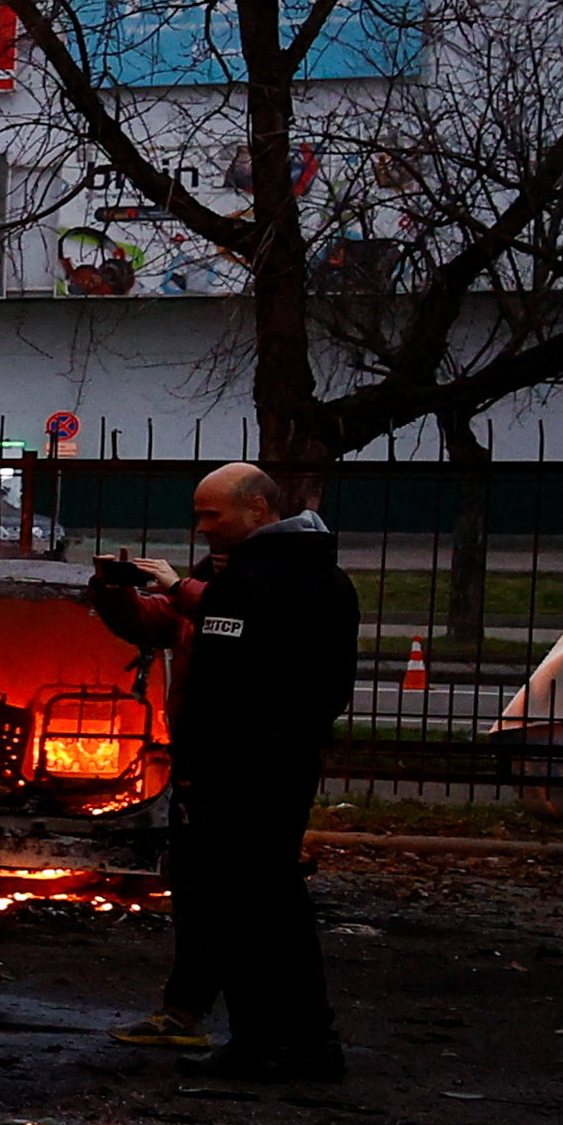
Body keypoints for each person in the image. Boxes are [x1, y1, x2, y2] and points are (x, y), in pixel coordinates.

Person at [83, 462, 360, 1084]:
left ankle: (287, 1043)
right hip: (218, 766)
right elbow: (170, 626)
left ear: (260, 508)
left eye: (214, 515)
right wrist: (118, 595)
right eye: (199, 515)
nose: (202, 528)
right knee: (229, 901)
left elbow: (240, 636)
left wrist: (183, 590)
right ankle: (264, 1037)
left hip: (259, 767)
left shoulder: (301, 578)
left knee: (261, 903)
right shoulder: (232, 573)